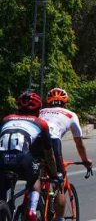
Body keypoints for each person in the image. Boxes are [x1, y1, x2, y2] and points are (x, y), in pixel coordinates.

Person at [0, 91, 59, 221]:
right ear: (38, 110)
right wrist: (54, 175)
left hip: (2, 158)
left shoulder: (6, 119)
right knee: (35, 179)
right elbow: (49, 154)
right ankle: (32, 210)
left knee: (2, 187)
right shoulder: (41, 123)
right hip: (22, 159)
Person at [40, 88, 93, 221]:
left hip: (34, 141)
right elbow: (79, 143)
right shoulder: (70, 115)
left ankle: (37, 199)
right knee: (59, 183)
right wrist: (85, 160)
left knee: (38, 175)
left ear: (48, 103)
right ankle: (59, 218)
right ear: (65, 103)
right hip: (52, 142)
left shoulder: (40, 112)